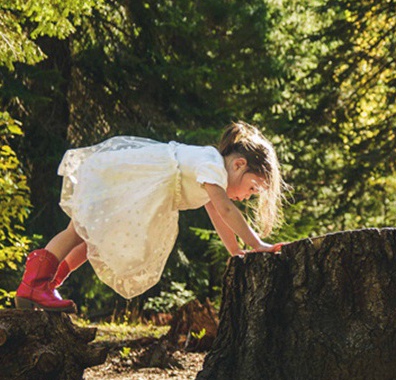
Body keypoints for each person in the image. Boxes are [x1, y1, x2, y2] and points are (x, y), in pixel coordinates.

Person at [15, 122, 283, 312]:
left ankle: (47, 284)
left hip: (126, 185)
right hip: (117, 180)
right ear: (239, 165)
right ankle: (34, 284)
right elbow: (226, 210)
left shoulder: (213, 178)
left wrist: (235, 249)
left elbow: (216, 213)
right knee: (77, 231)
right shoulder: (212, 163)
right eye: (252, 188)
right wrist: (258, 244)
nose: (248, 197)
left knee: (90, 240)